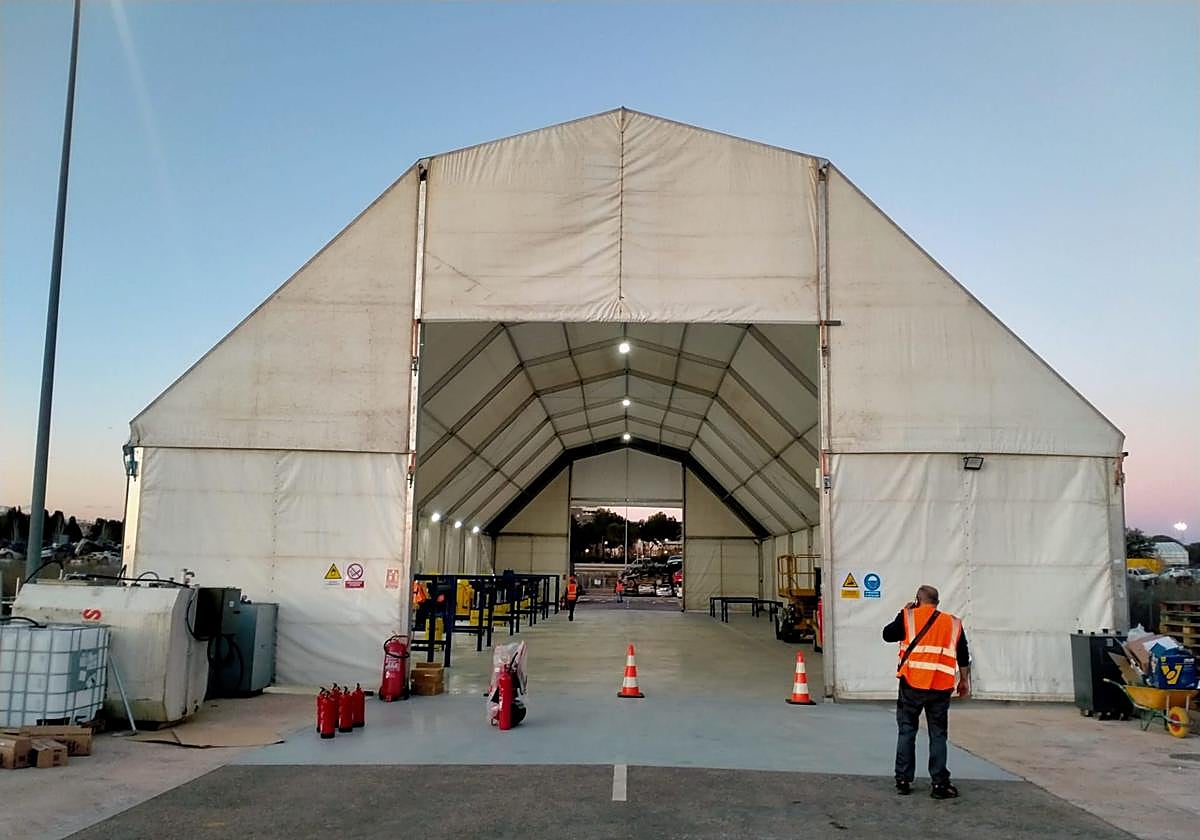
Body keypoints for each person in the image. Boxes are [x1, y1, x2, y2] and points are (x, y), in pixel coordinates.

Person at [882, 584, 970, 799]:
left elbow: (887, 635)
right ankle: (939, 784)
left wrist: (903, 612)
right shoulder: (953, 623)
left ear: (917, 600)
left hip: (911, 684)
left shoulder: (908, 617)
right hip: (940, 687)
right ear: (937, 602)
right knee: (938, 734)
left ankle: (903, 780)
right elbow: (963, 655)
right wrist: (964, 681)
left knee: (907, 731)